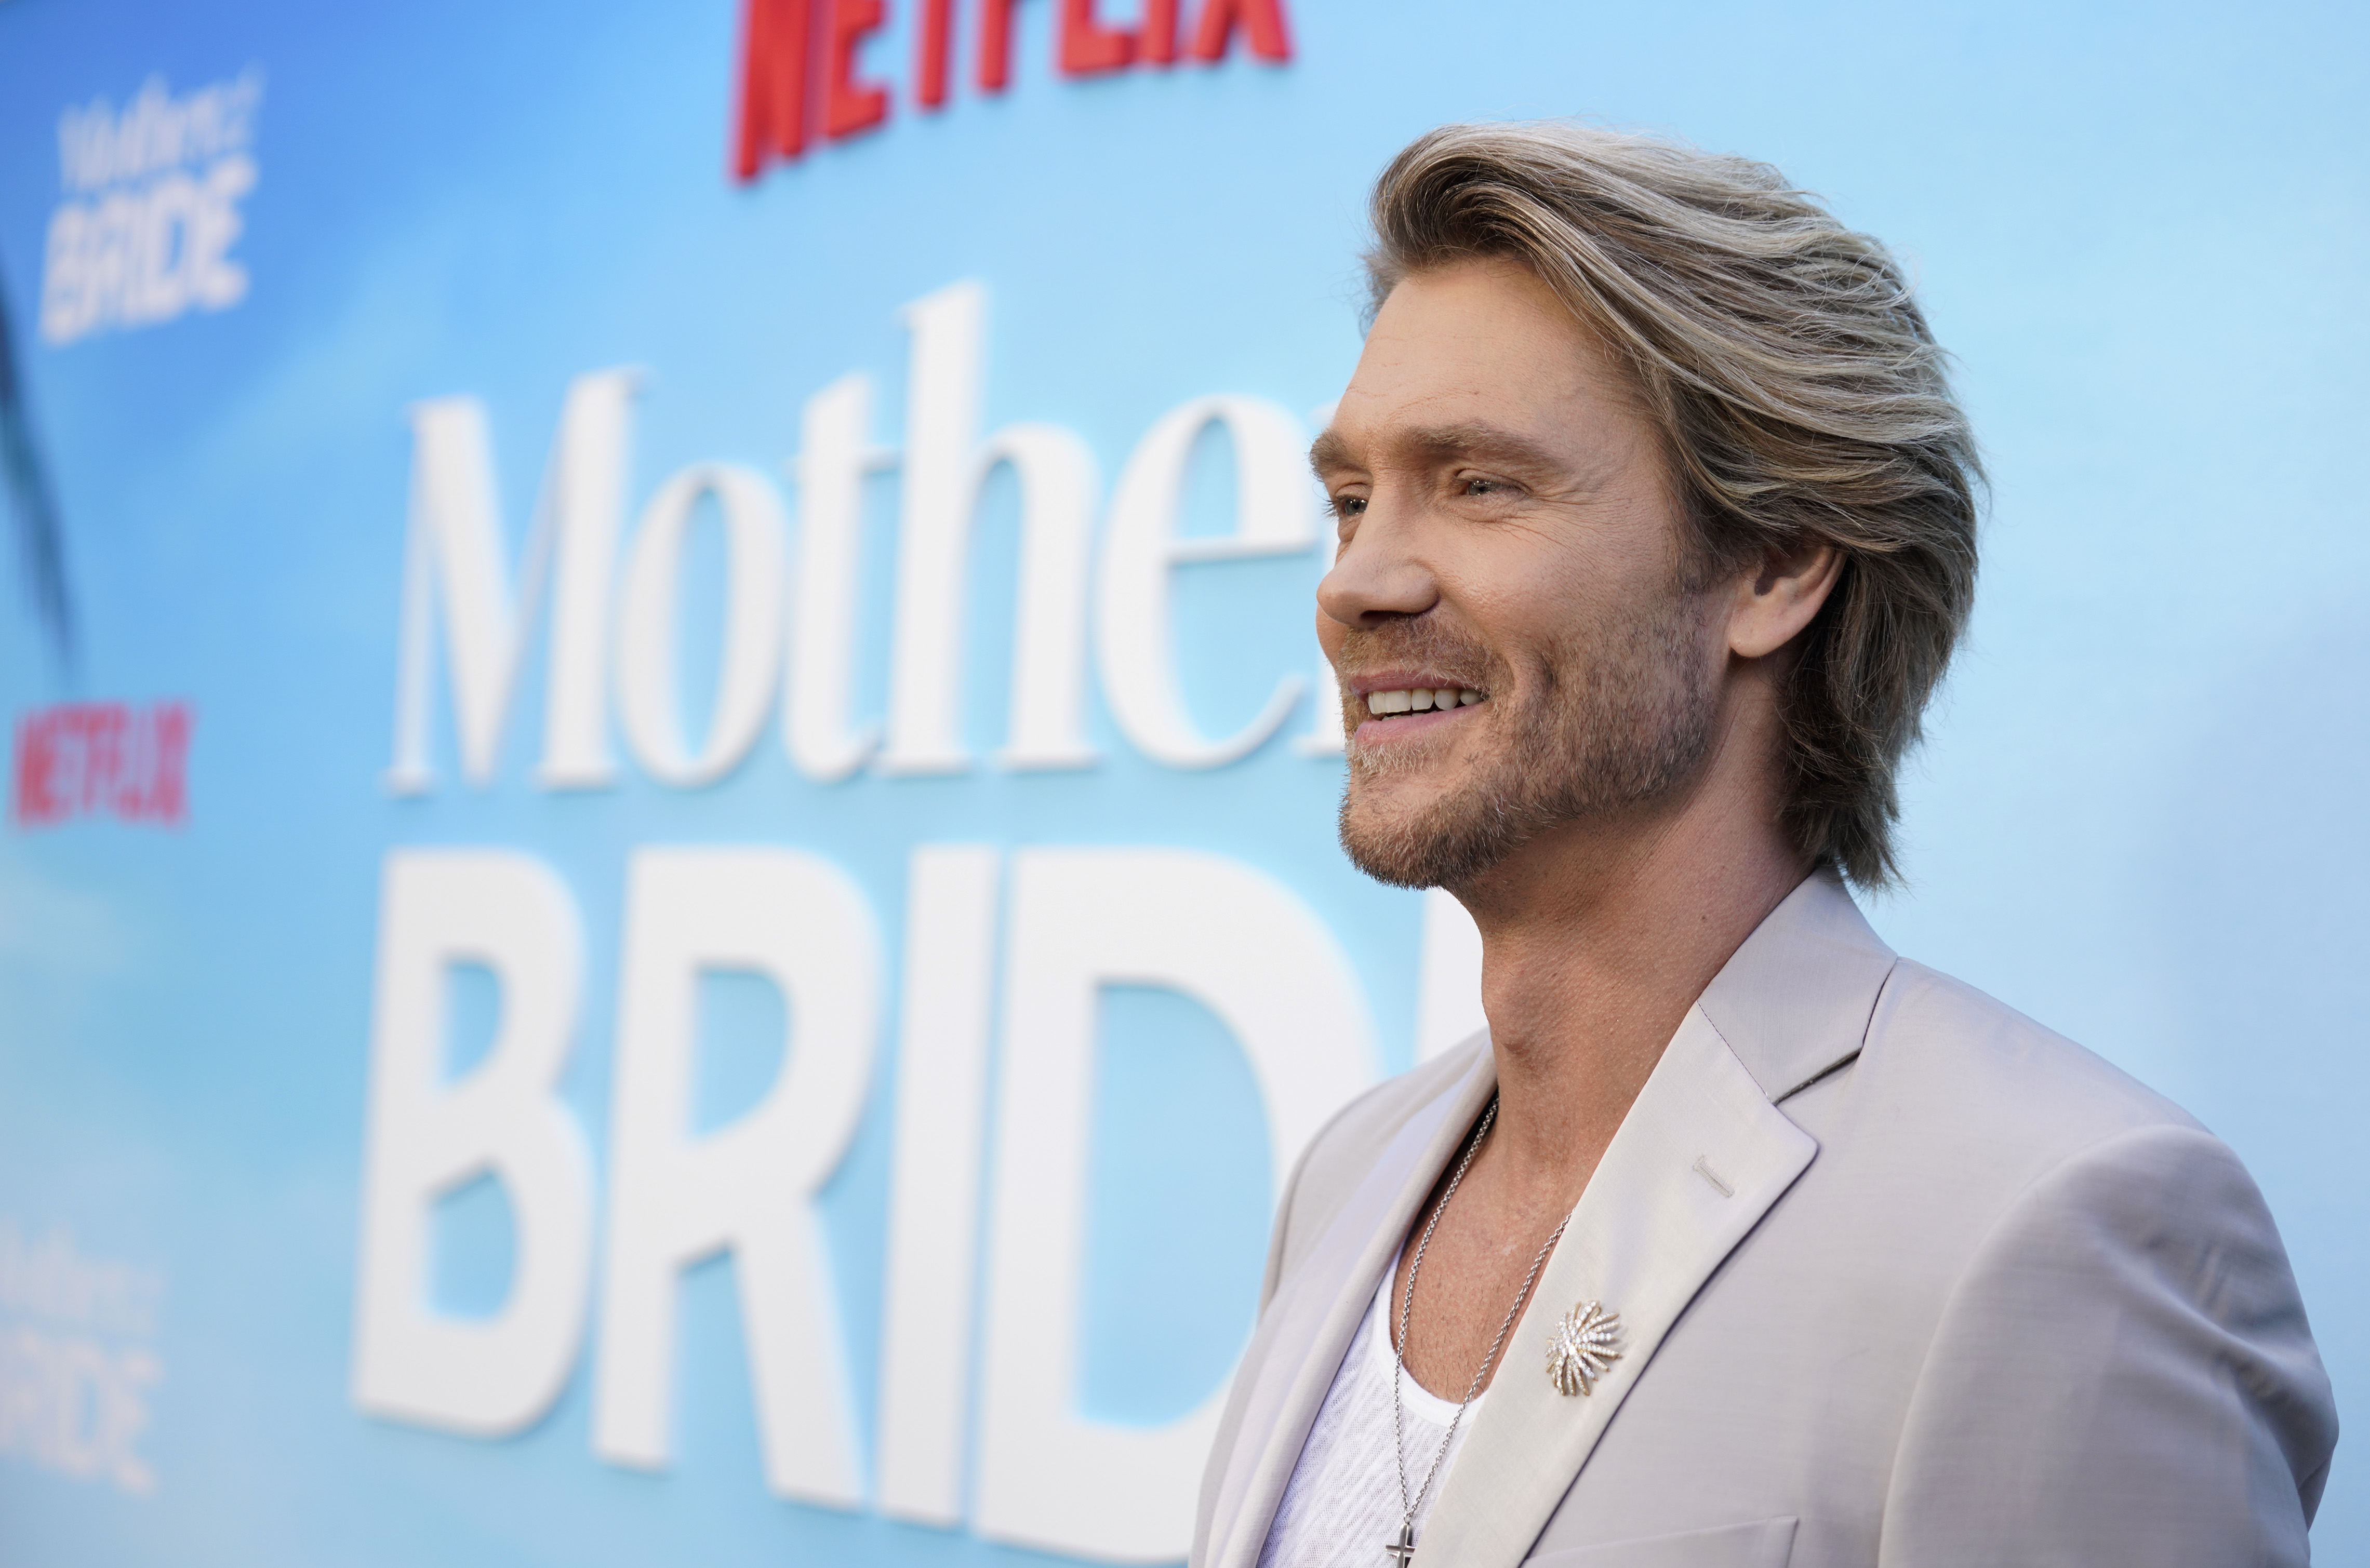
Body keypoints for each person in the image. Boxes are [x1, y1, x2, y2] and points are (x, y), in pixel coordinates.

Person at [1192, 121, 2336, 1568]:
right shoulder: (1350, 1172)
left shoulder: (2059, 1220)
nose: (1356, 578)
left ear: (1777, 563)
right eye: (1348, 499)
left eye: (1479, 482)